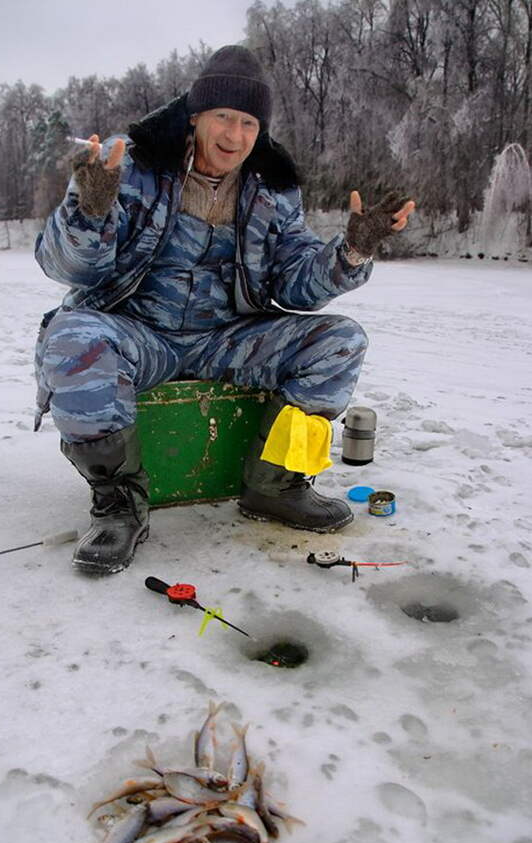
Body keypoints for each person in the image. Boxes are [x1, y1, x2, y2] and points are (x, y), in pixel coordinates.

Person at [34, 45, 414, 576]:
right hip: (138, 330)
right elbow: (66, 267)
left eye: (249, 123)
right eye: (224, 118)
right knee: (73, 337)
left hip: (226, 337)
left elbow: (295, 282)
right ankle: (120, 506)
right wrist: (89, 209)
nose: (235, 136)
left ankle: (275, 485)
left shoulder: (272, 188)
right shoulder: (132, 165)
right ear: (196, 116)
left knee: (339, 340)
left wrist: (351, 252)